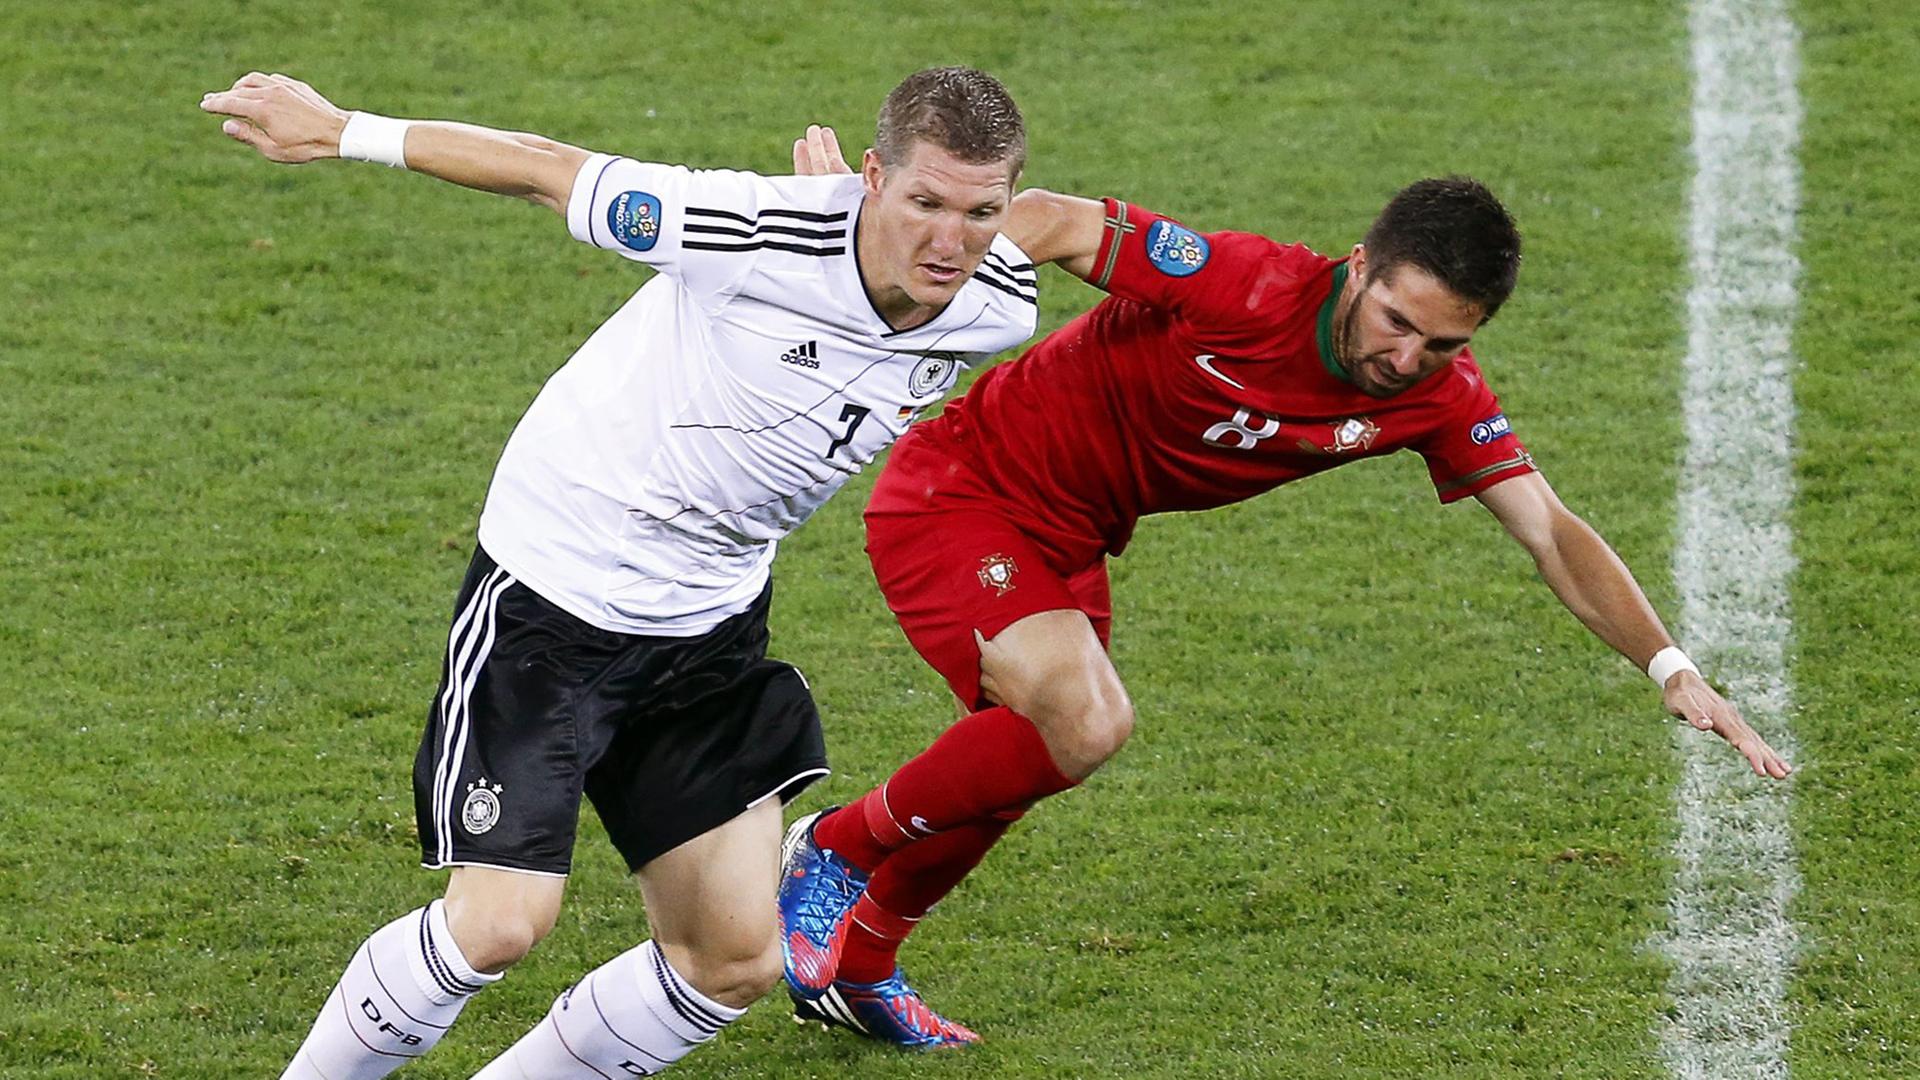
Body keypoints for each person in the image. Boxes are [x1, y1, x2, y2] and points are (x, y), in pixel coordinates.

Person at [775, 131, 1793, 1048]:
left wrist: (1669, 664)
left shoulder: (1437, 395)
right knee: (1080, 721)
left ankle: (860, 967)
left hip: (1073, 537)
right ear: (1360, 266)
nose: (1405, 359)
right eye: (1396, 320)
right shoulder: (1247, 284)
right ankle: (833, 846)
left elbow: (1553, 532)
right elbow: (1053, 220)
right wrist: (887, 282)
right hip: (965, 489)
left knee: (1025, 757)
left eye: (1441, 342)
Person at [199, 67, 1038, 1079]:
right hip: (558, 597)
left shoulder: (997, 305)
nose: (951, 241)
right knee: (499, 926)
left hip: (711, 630)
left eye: (979, 211)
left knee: (731, 958)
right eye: (925, 203)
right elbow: (550, 170)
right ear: (873, 177)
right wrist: (342, 132)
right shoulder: (747, 229)